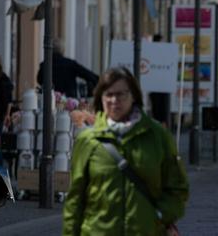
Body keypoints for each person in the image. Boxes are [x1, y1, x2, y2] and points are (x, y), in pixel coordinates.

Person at [63, 67, 189, 235]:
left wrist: (160, 216)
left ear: (134, 96)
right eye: (108, 94)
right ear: (100, 98)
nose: (114, 100)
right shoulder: (88, 140)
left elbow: (178, 187)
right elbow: (75, 199)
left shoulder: (157, 136)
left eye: (121, 94)